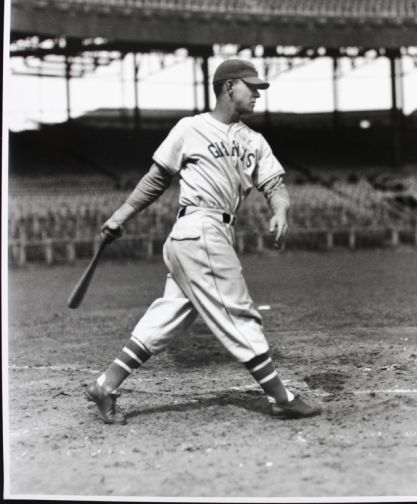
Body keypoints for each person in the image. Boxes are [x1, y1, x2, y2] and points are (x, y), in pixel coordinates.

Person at [85, 59, 322, 424]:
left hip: (205, 236)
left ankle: (106, 384)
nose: (258, 94)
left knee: (169, 316)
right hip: (199, 228)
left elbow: (276, 186)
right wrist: (119, 216)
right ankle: (282, 398)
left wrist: (281, 210)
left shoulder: (254, 140)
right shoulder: (191, 127)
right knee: (238, 311)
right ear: (229, 87)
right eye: (251, 87)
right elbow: (155, 179)